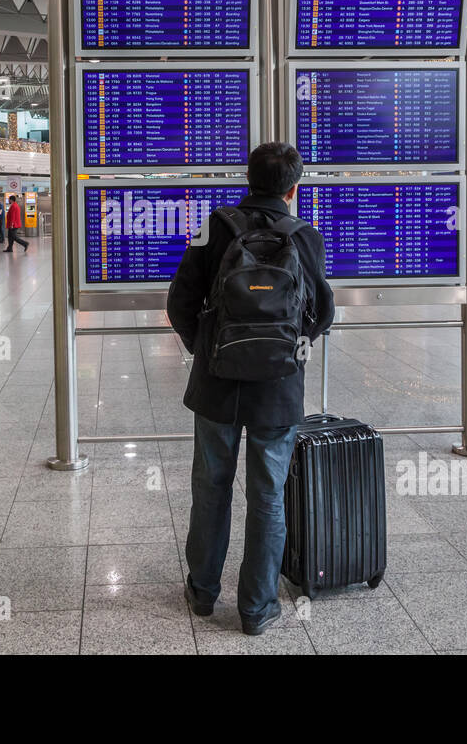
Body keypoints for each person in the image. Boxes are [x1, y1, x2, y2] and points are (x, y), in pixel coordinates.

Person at [166, 142, 334, 636]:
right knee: (268, 495)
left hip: (217, 386)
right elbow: (322, 312)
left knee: (210, 487)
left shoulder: (214, 227)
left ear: (248, 179)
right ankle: (257, 608)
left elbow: (179, 300)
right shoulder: (306, 238)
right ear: (292, 187)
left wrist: (210, 348)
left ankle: (202, 592)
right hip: (278, 390)